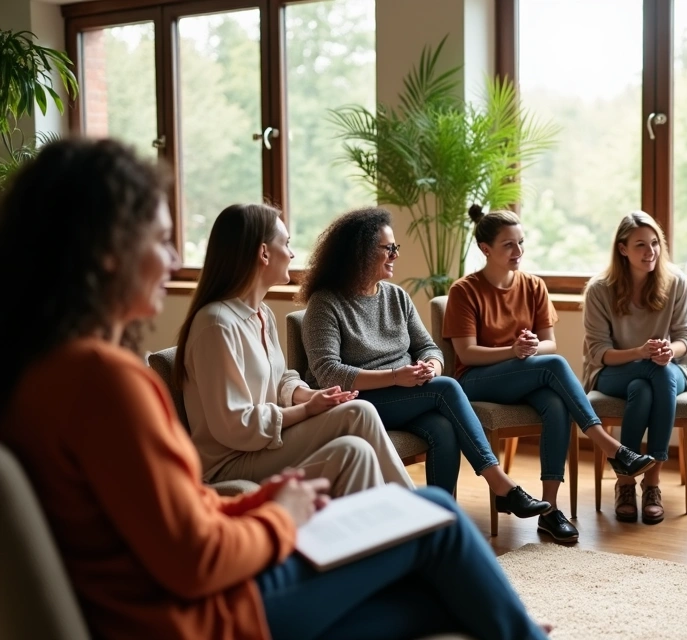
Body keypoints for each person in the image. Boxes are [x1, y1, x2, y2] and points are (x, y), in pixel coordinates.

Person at [0, 138, 551, 640]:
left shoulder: (40, 378)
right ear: (107, 253)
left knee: (440, 601)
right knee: (437, 516)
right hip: (206, 618)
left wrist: (271, 492)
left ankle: (506, 621)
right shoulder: (107, 384)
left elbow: (174, 522)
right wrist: (282, 515)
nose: (172, 261)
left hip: (176, 606)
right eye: (162, 241)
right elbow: (196, 557)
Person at [298, 207, 549, 519]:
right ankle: (502, 487)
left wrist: (431, 365)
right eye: (387, 248)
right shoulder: (327, 303)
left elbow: (429, 347)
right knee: (445, 389)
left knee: (442, 427)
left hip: (404, 392)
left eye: (395, 247)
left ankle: (440, 520)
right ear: (360, 253)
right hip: (357, 402)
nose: (395, 255)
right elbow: (328, 373)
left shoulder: (396, 296)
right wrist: (395, 376)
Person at [444, 206, 655, 543]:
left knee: (556, 406)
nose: (518, 252)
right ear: (486, 249)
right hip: (476, 381)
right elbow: (467, 354)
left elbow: (548, 345)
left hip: (523, 377)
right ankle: (610, 447)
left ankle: (549, 511)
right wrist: (513, 351)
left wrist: (528, 348)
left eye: (521, 243)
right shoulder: (464, 291)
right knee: (555, 368)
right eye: (508, 245)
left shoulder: (533, 286)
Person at [177, 204, 414, 498]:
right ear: (263, 253)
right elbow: (235, 426)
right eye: (286, 244)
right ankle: (422, 515)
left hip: (265, 444)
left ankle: (386, 534)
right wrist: (305, 410)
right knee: (360, 412)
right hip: (231, 461)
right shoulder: (216, 324)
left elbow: (281, 380)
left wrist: (312, 395)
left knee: (357, 449)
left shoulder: (261, 313)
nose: (291, 254)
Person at [583, 211, 687, 524]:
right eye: (640, 245)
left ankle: (641, 483)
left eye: (655, 244)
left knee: (645, 386)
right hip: (611, 372)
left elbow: (685, 338)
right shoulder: (599, 289)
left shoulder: (675, 282)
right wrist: (640, 352)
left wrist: (666, 352)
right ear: (622, 249)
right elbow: (599, 353)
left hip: (670, 369)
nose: (650, 252)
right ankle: (640, 482)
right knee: (648, 374)